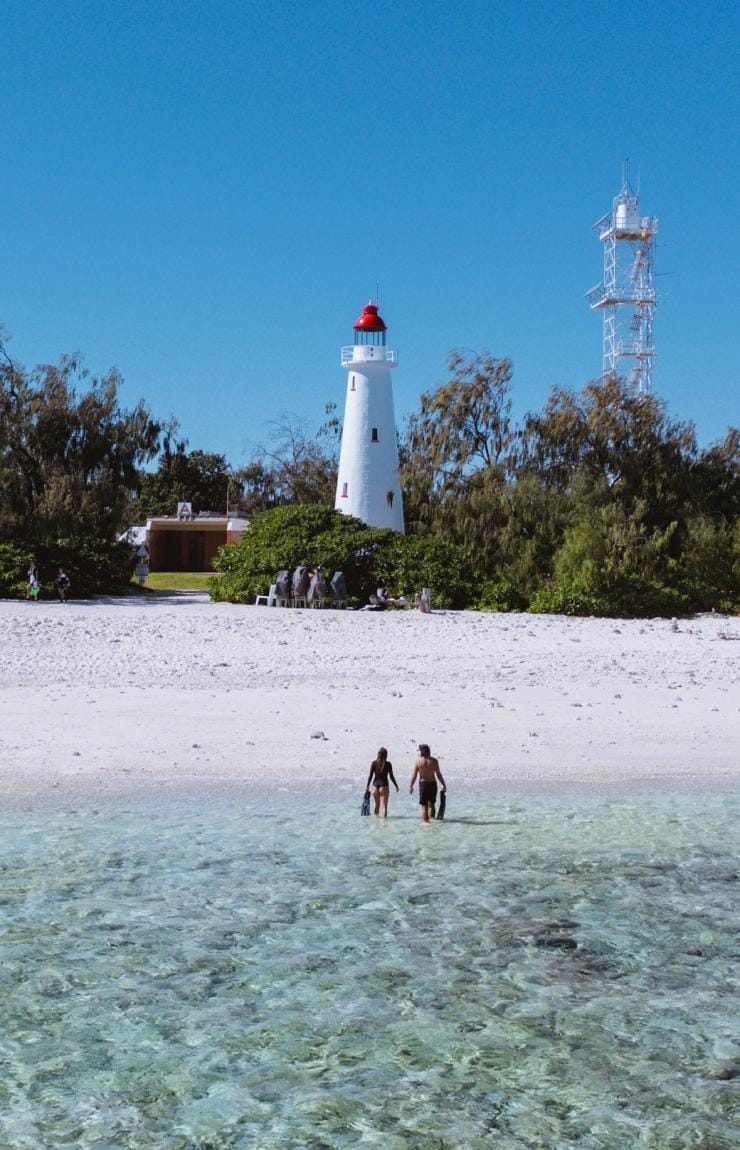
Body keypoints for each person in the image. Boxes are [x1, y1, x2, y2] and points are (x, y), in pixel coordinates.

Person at [409, 743, 446, 823]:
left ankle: (426, 823)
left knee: (424, 806)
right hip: (432, 784)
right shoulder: (434, 761)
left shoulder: (418, 761)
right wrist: (443, 784)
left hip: (423, 784)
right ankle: (432, 821)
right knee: (431, 804)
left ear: (421, 752)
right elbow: (438, 774)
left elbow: (414, 775)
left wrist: (411, 786)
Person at [365, 747, 399, 817]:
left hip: (374, 786)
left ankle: (376, 824)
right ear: (386, 755)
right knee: (384, 807)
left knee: (377, 805)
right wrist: (396, 785)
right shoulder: (388, 764)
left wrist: (367, 786)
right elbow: (391, 776)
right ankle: (384, 826)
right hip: (384, 786)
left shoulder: (374, 763)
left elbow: (370, 776)